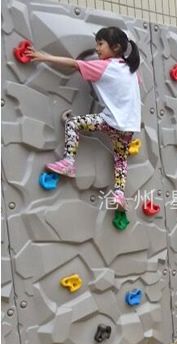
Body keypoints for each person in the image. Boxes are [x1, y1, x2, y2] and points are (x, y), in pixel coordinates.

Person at [25, 27, 141, 210]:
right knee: (121, 159)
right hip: (130, 126)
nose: (97, 48)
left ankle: (69, 163)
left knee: (73, 124)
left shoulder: (105, 66)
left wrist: (45, 56)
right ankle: (119, 193)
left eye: (101, 44)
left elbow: (73, 63)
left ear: (116, 47)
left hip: (112, 121)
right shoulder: (130, 68)